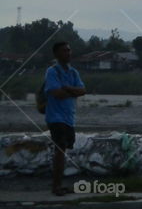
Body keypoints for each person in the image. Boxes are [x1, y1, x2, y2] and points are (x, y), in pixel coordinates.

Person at [45, 41, 85, 196]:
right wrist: (72, 91)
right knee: (60, 149)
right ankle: (56, 187)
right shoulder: (52, 71)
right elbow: (56, 93)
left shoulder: (73, 72)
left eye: (69, 50)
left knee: (63, 149)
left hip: (69, 117)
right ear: (56, 54)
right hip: (55, 117)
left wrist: (67, 88)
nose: (68, 53)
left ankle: (58, 185)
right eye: (64, 51)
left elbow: (83, 90)